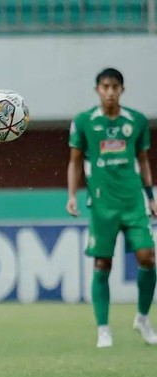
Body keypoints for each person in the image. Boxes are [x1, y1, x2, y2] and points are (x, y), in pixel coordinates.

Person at [67, 67, 157, 348]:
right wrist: (72, 195)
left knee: (147, 257)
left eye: (115, 87)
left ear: (122, 90)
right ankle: (103, 329)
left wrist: (150, 195)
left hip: (133, 202)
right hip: (102, 204)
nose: (110, 92)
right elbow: (75, 161)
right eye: (105, 86)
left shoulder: (137, 121)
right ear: (98, 90)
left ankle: (142, 319)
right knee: (102, 263)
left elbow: (142, 160)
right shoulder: (84, 122)